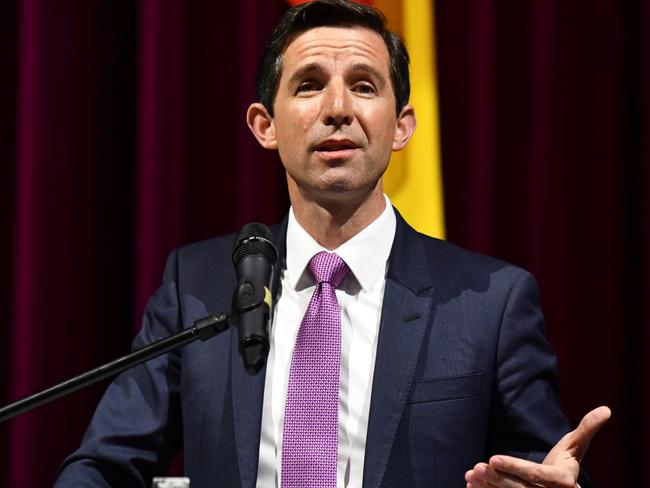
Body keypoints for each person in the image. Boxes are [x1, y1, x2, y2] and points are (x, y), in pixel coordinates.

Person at [54, 1, 610, 487]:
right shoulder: (197, 287)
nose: (338, 108)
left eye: (364, 86)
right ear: (264, 124)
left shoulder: (490, 302)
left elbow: (548, 468)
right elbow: (103, 466)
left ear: (401, 126)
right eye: (309, 84)